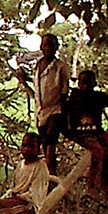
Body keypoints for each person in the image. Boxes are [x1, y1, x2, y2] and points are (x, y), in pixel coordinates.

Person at [65, 69, 108, 206]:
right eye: (83, 83)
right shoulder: (73, 97)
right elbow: (64, 115)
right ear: (79, 83)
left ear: (94, 84)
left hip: (96, 132)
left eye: (89, 84)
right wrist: (68, 132)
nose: (86, 87)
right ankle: (92, 188)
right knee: (98, 152)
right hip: (80, 134)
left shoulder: (97, 96)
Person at [16, 33, 71, 174]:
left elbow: (64, 90)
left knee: (51, 141)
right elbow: (38, 84)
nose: (47, 48)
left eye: (51, 45)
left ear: (56, 48)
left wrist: (65, 115)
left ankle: (50, 171)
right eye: (45, 45)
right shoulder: (38, 65)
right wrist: (23, 79)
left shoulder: (60, 67)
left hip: (55, 109)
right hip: (40, 111)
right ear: (41, 47)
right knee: (45, 141)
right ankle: (44, 173)